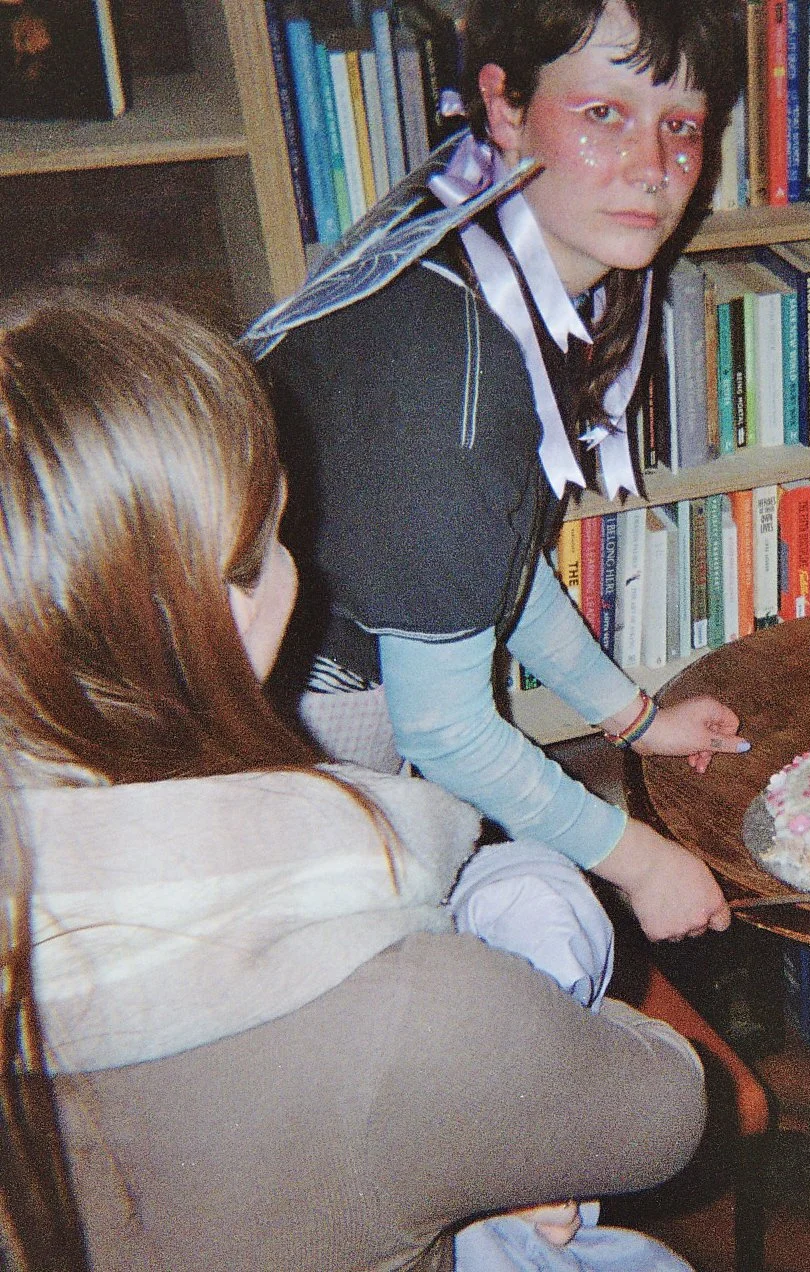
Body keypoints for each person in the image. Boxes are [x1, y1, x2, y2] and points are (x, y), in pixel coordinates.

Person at [4, 289, 709, 1270]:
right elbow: (664, 1109)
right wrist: (503, 1105)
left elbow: (497, 574)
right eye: (280, 534)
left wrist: (629, 715)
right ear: (227, 607)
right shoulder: (409, 1017)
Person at [250, 0, 750, 947]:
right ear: (506, 106)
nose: (653, 167)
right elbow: (440, 727)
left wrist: (634, 720)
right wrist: (641, 862)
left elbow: (492, 563)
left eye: (681, 125)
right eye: (604, 113)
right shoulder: (447, 368)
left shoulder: (468, 218)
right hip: (291, 727)